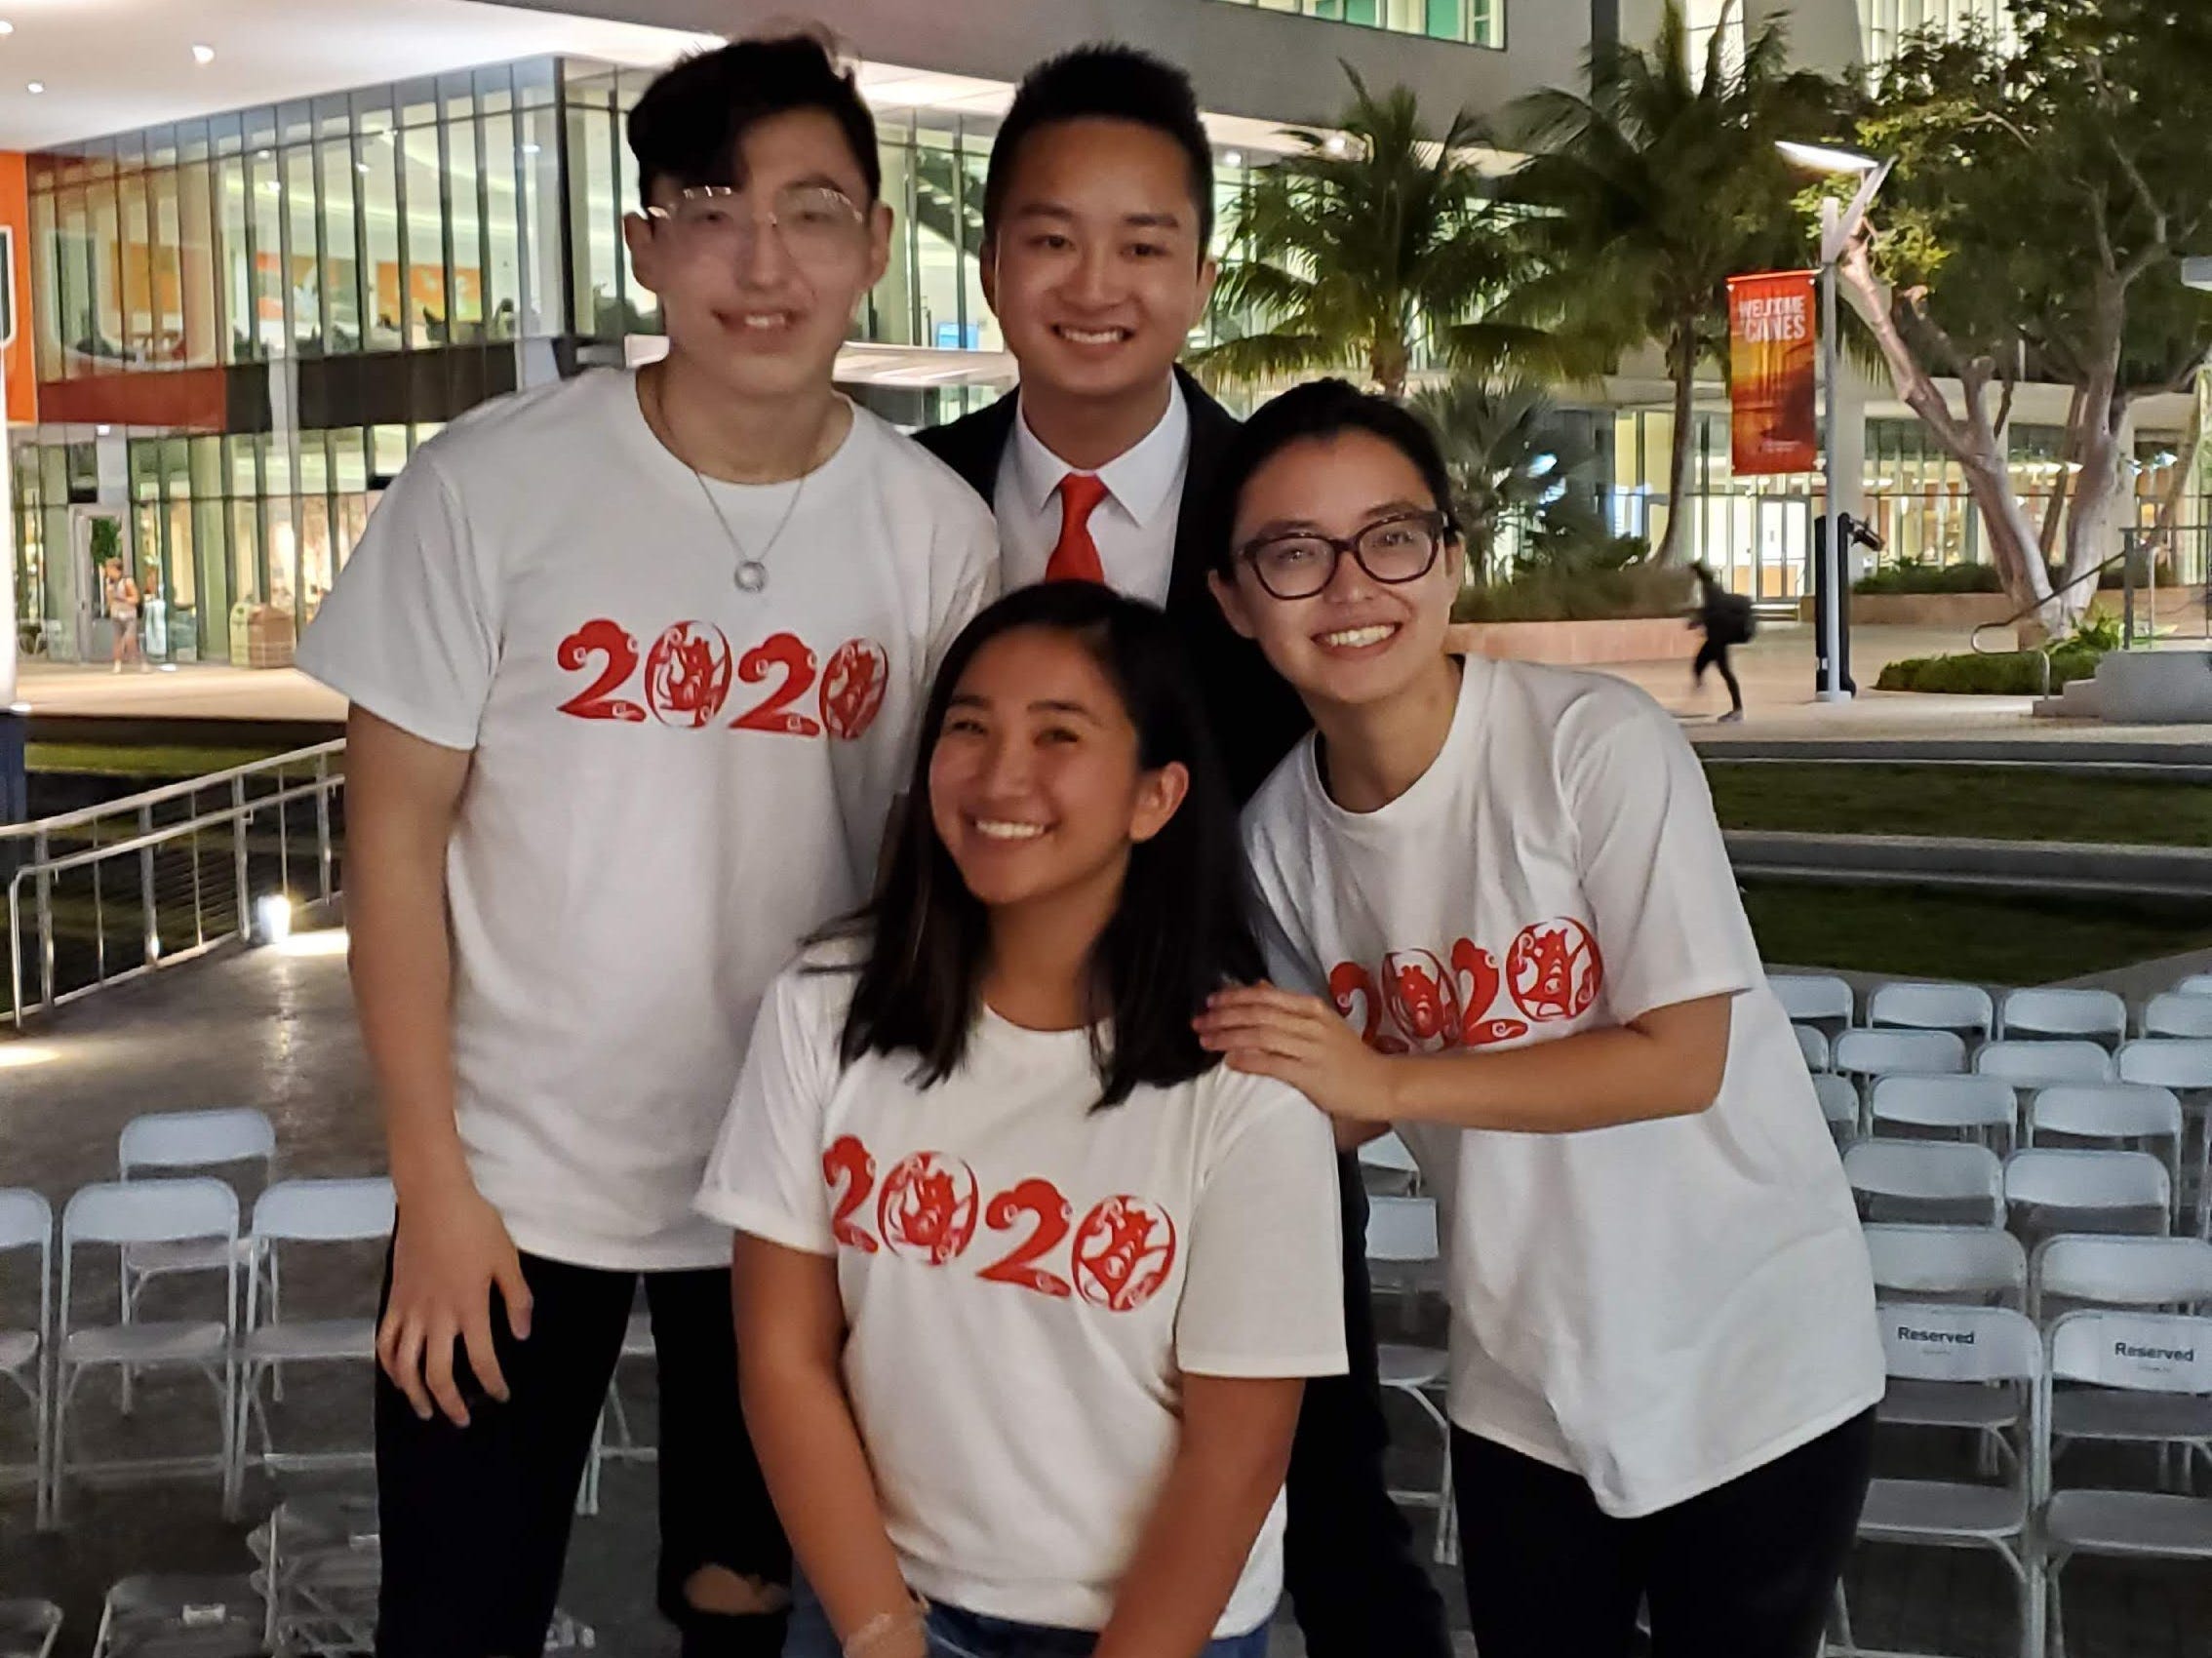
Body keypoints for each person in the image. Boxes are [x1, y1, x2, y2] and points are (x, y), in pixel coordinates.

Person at [295, 35, 998, 1658]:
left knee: (739, 1604)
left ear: (877, 247)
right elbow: (392, 854)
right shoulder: (487, 490)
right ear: (643, 247)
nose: (764, 262)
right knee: (458, 1612)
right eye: (710, 208)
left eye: (813, 213)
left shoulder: (935, 539)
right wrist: (432, 1181)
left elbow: (938, 869)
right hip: (509, 1182)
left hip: (789, 1186)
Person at [1197, 380, 1884, 1658]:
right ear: (1236, 601)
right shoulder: (1278, 838)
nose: (1351, 587)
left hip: (1752, 1360)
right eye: (1293, 555)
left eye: (1392, 538)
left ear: (1453, 559)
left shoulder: (1591, 746)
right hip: (1529, 1382)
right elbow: (1318, 1108)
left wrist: (1391, 1085)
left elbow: (1683, 1059)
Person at [916, 50, 1449, 1657]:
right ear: (993, 258)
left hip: (1240, 1108)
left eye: (1143, 243)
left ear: (1201, 273)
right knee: (961, 1492)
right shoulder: (899, 504)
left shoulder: (1284, 514)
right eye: (1050, 238)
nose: (1095, 286)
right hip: (961, 1104)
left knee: (1328, 1505)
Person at [702, 582, 1346, 1658]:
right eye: (968, 727)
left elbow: (1236, 1454)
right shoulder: (826, 1006)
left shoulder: (1247, 1083)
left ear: (1156, 795)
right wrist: (877, 1630)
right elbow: (784, 1353)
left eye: (1060, 734)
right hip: (879, 1597)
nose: (1001, 774)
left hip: (1148, 1626)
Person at [1690, 560, 1752, 722]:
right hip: (1716, 637)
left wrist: (1698, 620)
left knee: (1720, 669)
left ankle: (1737, 709)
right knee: (1701, 665)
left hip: (1718, 638)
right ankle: (1704, 694)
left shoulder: (1709, 589)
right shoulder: (1712, 586)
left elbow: (1713, 611)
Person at [104, 557, 142, 672]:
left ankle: (140, 660)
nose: (108, 572)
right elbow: (110, 601)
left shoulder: (127, 581)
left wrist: (122, 598)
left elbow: (136, 599)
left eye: (109, 569)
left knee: (129, 639)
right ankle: (117, 664)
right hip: (116, 614)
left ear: (117, 569)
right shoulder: (110, 582)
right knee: (117, 639)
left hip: (129, 614)